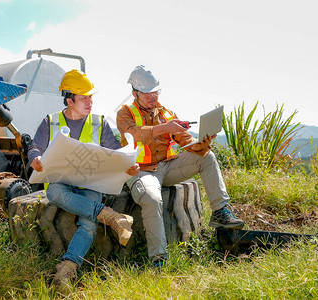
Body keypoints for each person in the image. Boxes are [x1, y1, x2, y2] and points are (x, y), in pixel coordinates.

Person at [116, 65, 245, 266]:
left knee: (207, 157)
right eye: (148, 93)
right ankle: (158, 258)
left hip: (167, 167)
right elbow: (131, 133)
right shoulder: (125, 113)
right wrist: (163, 128)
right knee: (151, 198)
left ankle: (220, 211)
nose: (153, 97)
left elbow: (186, 142)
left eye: (156, 92)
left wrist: (203, 142)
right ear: (135, 93)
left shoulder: (167, 113)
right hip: (141, 170)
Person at [28, 69, 140, 292]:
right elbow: (35, 147)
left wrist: (129, 165)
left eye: (91, 97)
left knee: (88, 223)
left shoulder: (100, 123)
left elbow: (116, 153)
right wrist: (35, 158)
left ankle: (65, 271)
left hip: (91, 184)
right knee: (54, 193)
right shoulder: (50, 121)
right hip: (61, 182)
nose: (90, 101)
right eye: (84, 97)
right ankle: (112, 217)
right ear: (70, 100)